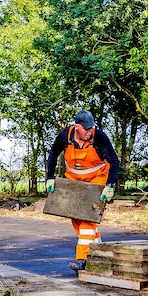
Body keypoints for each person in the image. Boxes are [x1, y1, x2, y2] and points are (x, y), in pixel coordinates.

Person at [46, 110, 120, 272]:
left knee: (87, 217)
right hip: (74, 179)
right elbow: (53, 154)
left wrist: (109, 185)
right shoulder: (65, 135)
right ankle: (99, 250)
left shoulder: (99, 137)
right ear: (76, 126)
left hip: (97, 179)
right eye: (85, 129)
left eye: (91, 128)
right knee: (76, 218)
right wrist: (50, 177)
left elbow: (114, 161)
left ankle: (83, 259)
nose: (89, 132)